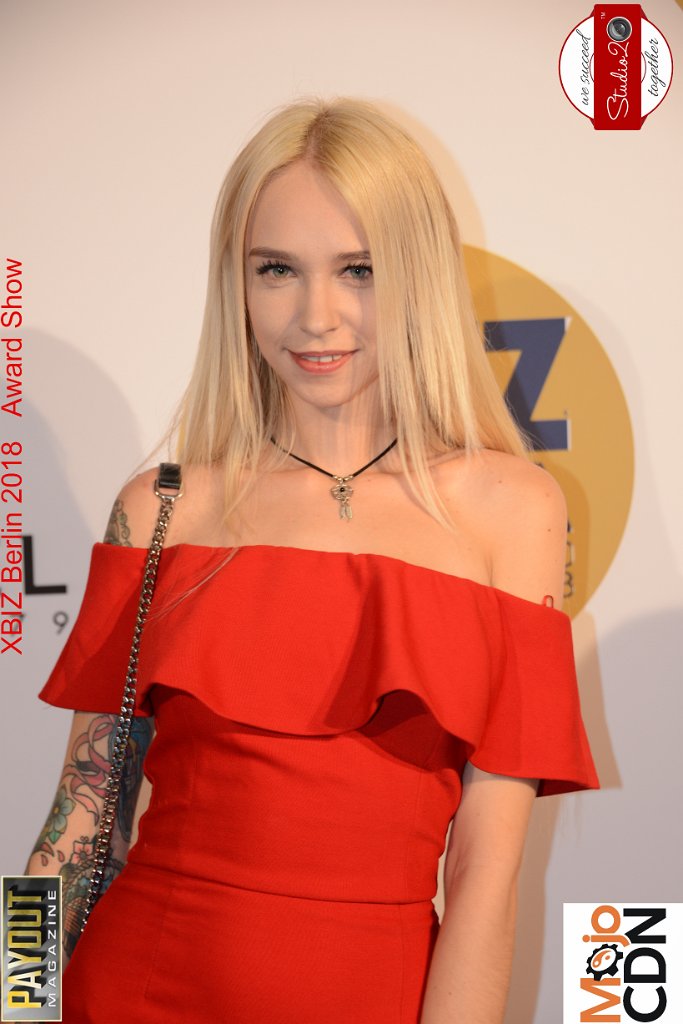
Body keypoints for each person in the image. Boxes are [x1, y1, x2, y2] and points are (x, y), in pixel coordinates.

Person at [27, 96, 599, 1023]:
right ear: (237, 283)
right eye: (276, 270)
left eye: (358, 270)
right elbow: (77, 822)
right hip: (136, 989)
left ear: (417, 275)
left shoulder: (512, 510)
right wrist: (15, 1004)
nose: (315, 315)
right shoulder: (162, 508)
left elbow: (487, 877)